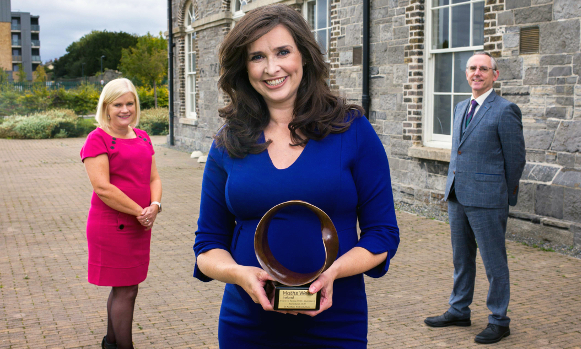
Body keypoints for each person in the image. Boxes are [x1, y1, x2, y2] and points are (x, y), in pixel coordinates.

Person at [192, 4, 399, 348]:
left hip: (335, 322)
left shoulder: (353, 130)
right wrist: (240, 275)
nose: (271, 68)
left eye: (283, 51)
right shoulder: (228, 142)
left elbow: (382, 235)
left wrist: (333, 273)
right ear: (244, 68)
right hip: (247, 325)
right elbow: (207, 245)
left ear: (303, 55)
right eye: (257, 56)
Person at [424, 52, 526, 344]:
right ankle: (459, 309)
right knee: (461, 258)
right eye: (472, 68)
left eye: (483, 68)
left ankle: (499, 320)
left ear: (495, 75)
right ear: (466, 73)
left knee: (494, 263)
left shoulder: (506, 110)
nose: (477, 73)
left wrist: (502, 196)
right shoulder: (460, 107)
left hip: (488, 199)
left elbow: (515, 160)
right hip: (457, 195)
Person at [81, 78, 162, 349]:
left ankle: (111, 343)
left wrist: (155, 206)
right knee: (125, 289)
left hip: (140, 224)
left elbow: (154, 178)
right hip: (112, 226)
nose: (124, 109)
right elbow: (103, 188)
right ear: (106, 106)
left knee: (127, 286)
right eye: (118, 104)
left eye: (129, 103)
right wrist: (141, 211)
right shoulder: (97, 139)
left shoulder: (142, 137)